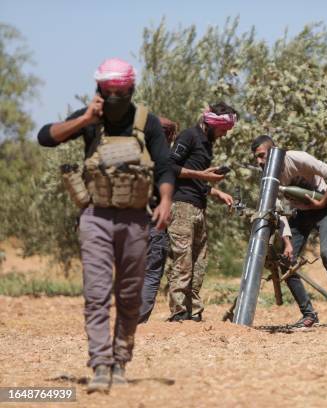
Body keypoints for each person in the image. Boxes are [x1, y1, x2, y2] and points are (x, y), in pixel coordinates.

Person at [37, 58, 174, 393]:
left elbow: (165, 167)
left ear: (131, 89)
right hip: (96, 217)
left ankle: (120, 362)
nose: (114, 97)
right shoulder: (89, 119)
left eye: (120, 91)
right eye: (108, 90)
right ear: (98, 88)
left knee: (129, 298)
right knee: (97, 294)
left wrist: (166, 201)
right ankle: (100, 364)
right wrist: (85, 119)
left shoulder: (147, 122)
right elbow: (46, 137)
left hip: (135, 220)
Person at [250, 135, 327, 328]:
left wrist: (322, 201)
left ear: (274, 151)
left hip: (324, 209)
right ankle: (309, 314)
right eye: (256, 157)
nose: (259, 162)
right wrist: (287, 242)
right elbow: (277, 210)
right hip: (300, 214)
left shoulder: (298, 158)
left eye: (262, 156)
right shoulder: (268, 177)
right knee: (286, 263)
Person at [166, 102, 237, 322]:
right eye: (223, 130)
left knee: (199, 262)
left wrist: (216, 192)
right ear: (213, 124)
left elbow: (196, 179)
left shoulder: (207, 143)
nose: (224, 135)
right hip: (182, 208)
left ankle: (194, 312)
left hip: (199, 207)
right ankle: (179, 313)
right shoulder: (189, 136)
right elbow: (169, 167)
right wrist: (204, 176)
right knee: (183, 262)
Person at [138, 117, 177, 324]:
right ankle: (138, 321)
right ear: (169, 136)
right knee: (152, 273)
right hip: (154, 223)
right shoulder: (164, 160)